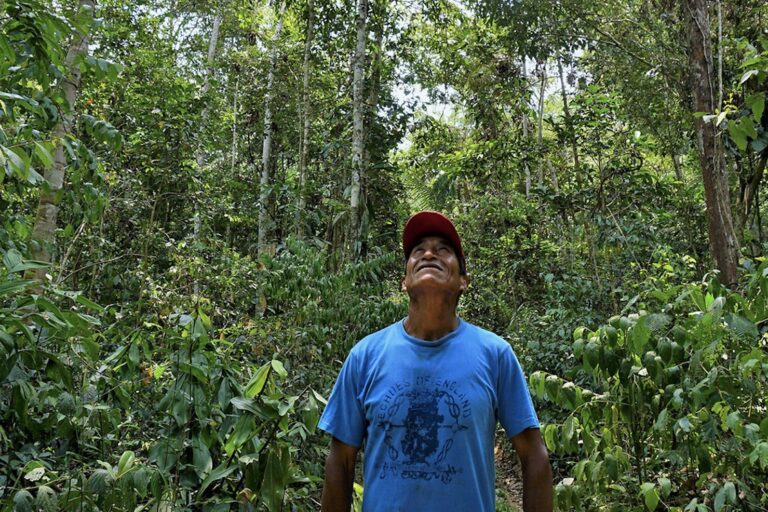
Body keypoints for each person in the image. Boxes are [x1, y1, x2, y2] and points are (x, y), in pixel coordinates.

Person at [319, 211, 552, 512]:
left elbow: (534, 456)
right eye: (418, 250)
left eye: (443, 250)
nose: (429, 253)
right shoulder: (365, 356)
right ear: (404, 281)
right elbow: (341, 459)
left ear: (464, 281)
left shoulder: (495, 355)